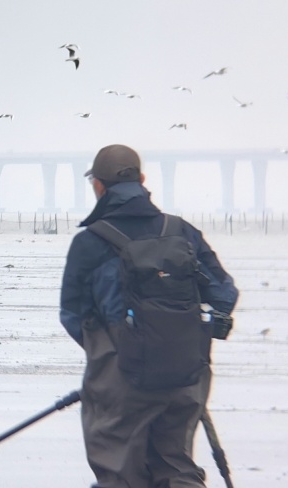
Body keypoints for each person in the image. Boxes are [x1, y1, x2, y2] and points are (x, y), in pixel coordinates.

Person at [60, 144, 239, 488]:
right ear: (142, 180)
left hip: (120, 380)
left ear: (99, 186)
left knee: (120, 474)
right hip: (186, 375)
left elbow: (73, 315)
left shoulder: (89, 243)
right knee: (177, 469)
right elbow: (224, 294)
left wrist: (113, 354)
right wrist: (183, 337)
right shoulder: (182, 231)